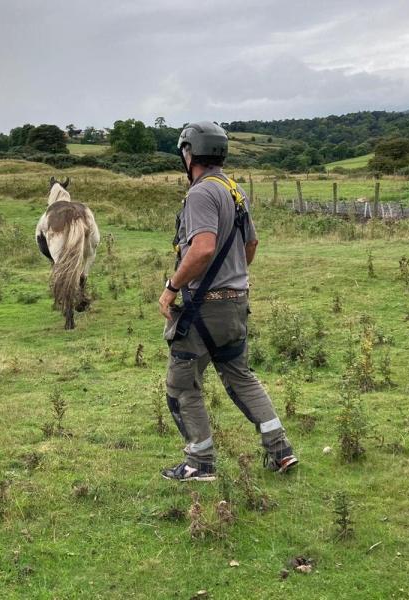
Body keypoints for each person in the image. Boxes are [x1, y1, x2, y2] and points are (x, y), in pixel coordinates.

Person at [158, 121, 298, 482]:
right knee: (241, 376)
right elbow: (251, 245)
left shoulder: (201, 194)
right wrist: (232, 275)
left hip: (203, 308)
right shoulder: (235, 190)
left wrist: (172, 286)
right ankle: (280, 449)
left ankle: (199, 463)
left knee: (181, 383)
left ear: (189, 154)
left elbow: (202, 248)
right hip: (236, 303)